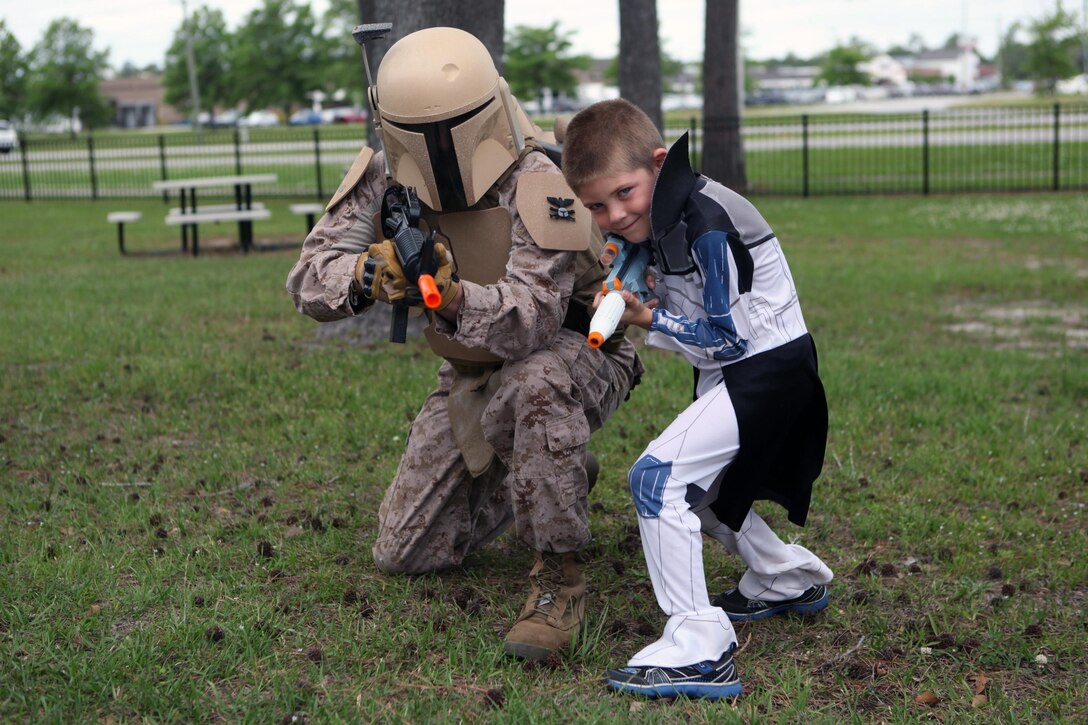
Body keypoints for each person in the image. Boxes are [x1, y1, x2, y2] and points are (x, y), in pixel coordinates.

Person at [285, 28, 643, 662]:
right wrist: (368, 273)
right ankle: (549, 473)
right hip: (473, 369)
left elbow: (530, 322)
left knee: (534, 386)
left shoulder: (538, 180)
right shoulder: (383, 176)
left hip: (578, 350)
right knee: (405, 552)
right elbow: (308, 279)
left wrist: (450, 299)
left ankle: (559, 584)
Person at [561, 99, 833, 700]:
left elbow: (725, 337)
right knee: (702, 491)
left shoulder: (706, 221)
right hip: (753, 368)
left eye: (624, 193)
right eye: (596, 206)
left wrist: (645, 316)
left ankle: (697, 648)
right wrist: (638, 282)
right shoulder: (663, 213)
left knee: (657, 480)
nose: (613, 214)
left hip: (762, 369)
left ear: (660, 164)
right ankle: (786, 577)